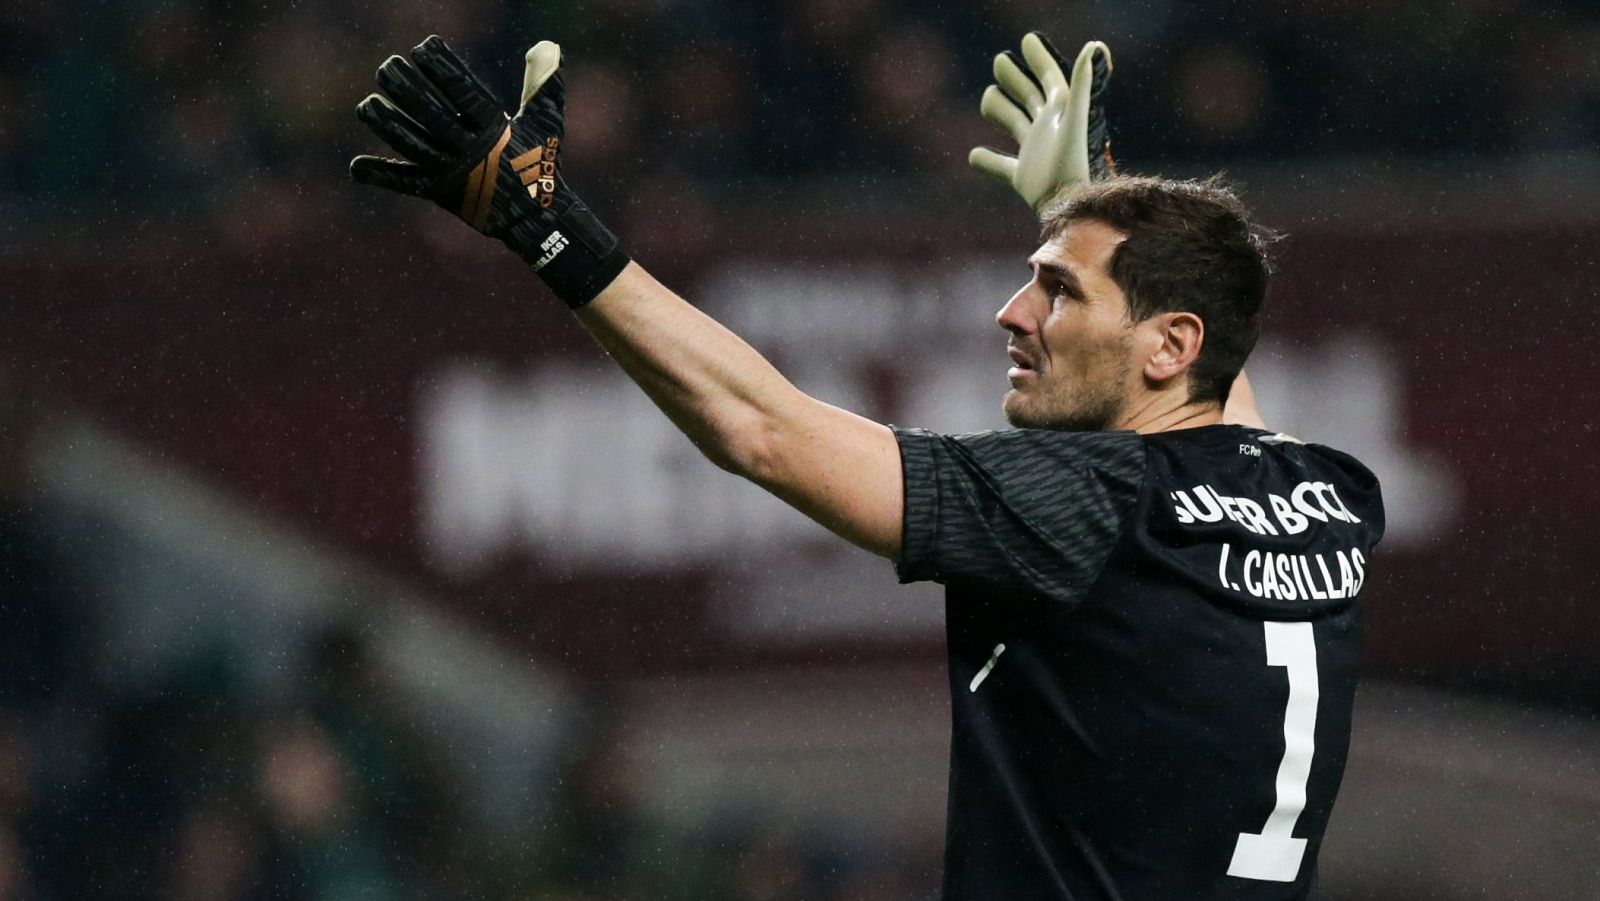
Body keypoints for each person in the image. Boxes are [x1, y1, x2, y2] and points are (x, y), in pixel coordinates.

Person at [350, 31, 1383, 901]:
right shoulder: (1331, 492)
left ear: (1167, 344)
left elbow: (759, 428)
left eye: (1058, 291)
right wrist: (1093, 197)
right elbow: (1211, 381)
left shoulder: (1085, 504)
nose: (1013, 312)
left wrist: (542, 223)